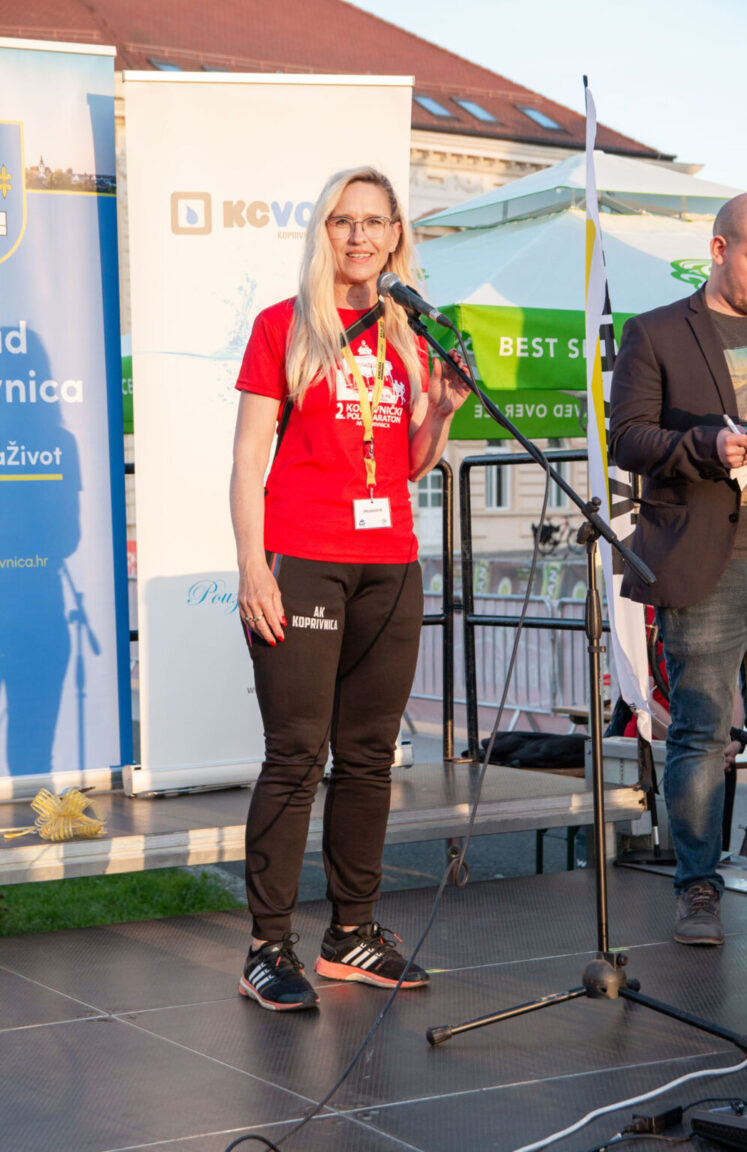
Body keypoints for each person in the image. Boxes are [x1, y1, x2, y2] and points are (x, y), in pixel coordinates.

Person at [230, 166, 469, 1010]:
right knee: (297, 754)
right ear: (323, 231)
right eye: (344, 220)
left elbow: (409, 464)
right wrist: (252, 564)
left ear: (397, 234)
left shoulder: (411, 335)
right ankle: (267, 945)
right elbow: (247, 460)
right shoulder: (283, 326)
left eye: (374, 221)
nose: (360, 236)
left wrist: (443, 409)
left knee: (369, 756)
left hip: (390, 564)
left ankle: (352, 933)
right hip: (302, 558)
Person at [610, 191, 747, 945]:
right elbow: (628, 439)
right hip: (710, 558)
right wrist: (708, 445)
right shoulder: (657, 332)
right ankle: (698, 888)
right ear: (718, 249)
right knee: (702, 734)